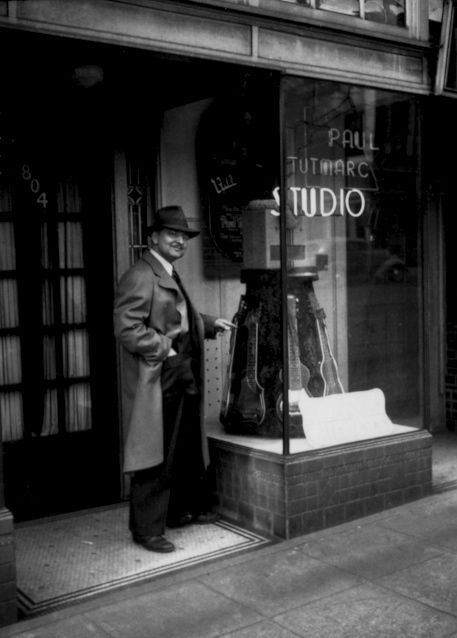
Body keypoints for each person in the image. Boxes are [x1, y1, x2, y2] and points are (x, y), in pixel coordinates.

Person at [113, 205, 234, 553]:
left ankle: (177, 512)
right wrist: (165, 350)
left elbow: (176, 315)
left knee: (179, 447)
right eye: (172, 234)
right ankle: (146, 530)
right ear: (153, 237)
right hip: (162, 374)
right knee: (157, 450)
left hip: (180, 371)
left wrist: (208, 324)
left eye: (184, 235)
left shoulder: (166, 271)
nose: (180, 240)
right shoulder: (140, 274)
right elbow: (127, 327)